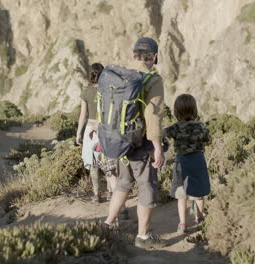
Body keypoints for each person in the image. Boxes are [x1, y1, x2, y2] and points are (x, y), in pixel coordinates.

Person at [103, 37, 167, 249]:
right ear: (155, 56)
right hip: (141, 144)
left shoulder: (122, 73)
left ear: (134, 54)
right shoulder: (152, 79)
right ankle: (143, 236)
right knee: (147, 187)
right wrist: (157, 147)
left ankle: (108, 224)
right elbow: (153, 116)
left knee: (123, 183)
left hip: (121, 141)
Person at [162, 94, 211, 234]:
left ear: (176, 111)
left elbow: (161, 133)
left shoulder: (175, 128)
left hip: (181, 162)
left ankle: (182, 223)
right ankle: (200, 218)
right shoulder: (200, 126)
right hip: (197, 160)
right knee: (199, 192)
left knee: (181, 194)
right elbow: (208, 140)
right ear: (194, 109)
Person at [76, 63, 106, 202]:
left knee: (93, 162)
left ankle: (96, 194)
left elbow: (83, 115)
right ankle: (112, 191)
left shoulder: (86, 91)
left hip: (90, 129)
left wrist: (78, 133)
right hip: (106, 128)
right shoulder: (107, 90)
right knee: (108, 161)